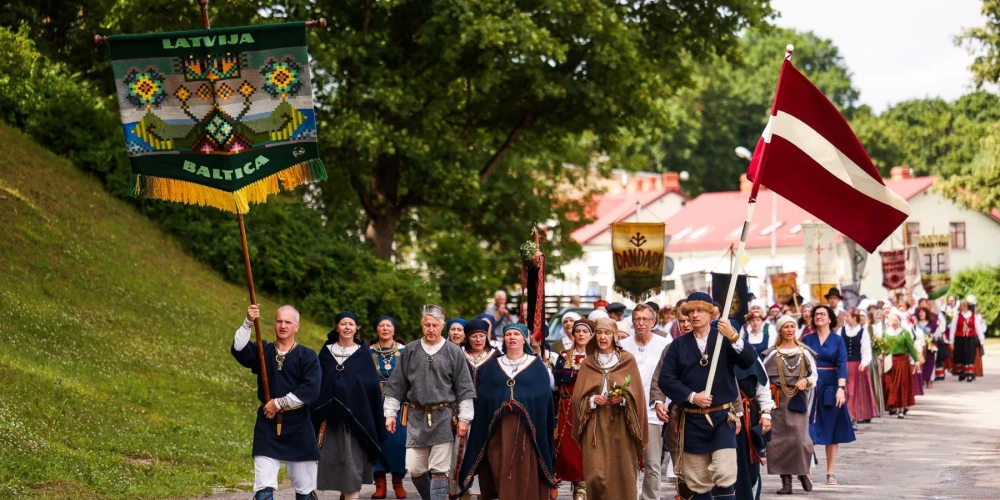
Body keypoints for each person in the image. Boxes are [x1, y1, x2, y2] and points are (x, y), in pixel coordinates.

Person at [658, 292, 757, 499]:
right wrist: (692, 396)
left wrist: (734, 336)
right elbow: (666, 380)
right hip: (691, 419)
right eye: (691, 311)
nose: (695, 315)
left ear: (710, 314)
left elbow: (749, 360)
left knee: (724, 472)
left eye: (700, 310)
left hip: (722, 418)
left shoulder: (724, 339)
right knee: (698, 480)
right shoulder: (678, 345)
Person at [383, 305, 476, 500]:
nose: (431, 329)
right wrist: (390, 413)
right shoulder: (410, 350)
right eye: (427, 325)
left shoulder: (453, 352)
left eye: (435, 325)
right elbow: (397, 384)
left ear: (442, 325)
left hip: (444, 416)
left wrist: (464, 418)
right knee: (415, 468)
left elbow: (464, 387)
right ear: (422, 325)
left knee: (439, 469)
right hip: (416, 417)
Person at [232, 304, 321, 500]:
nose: (283, 325)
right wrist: (248, 322)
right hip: (268, 423)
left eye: (288, 322)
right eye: (279, 321)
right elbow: (239, 350)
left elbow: (311, 390)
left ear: (296, 326)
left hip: (299, 424)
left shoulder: (308, 356)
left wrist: (278, 403)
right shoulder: (264, 351)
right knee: (263, 489)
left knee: (305, 489)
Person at [457, 324, 557, 500]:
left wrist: (521, 401)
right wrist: (503, 401)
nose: (512, 337)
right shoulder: (494, 365)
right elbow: (486, 398)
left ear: (524, 338)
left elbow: (543, 398)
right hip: (499, 431)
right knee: (499, 465)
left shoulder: (536, 365)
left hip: (528, 432)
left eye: (516, 334)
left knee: (526, 467)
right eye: (508, 334)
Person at [313, 312, 387, 500]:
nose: (347, 327)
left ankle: (351, 495)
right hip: (330, 421)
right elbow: (319, 382)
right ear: (336, 327)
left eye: (351, 324)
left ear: (356, 329)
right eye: (343, 324)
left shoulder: (362, 354)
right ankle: (345, 495)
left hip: (356, 420)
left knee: (352, 466)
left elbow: (371, 387)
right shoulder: (326, 352)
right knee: (335, 463)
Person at [572, 318, 648, 500]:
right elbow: (577, 397)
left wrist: (623, 399)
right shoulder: (588, 363)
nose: (603, 337)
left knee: (623, 472)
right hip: (595, 424)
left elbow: (637, 395)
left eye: (607, 333)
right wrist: (591, 399)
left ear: (615, 336)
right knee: (596, 474)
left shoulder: (627, 360)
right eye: (599, 333)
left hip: (621, 423)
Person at [619, 304, 671, 500]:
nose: (641, 323)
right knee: (627, 461)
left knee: (652, 463)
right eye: (637, 319)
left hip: (653, 410)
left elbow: (670, 376)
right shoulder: (624, 345)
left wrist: (664, 402)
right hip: (626, 409)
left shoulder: (664, 344)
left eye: (645, 319)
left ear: (653, 322)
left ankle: (650, 498)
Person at [800, 305, 855, 486]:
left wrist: (841, 388)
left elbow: (842, 364)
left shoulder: (838, 340)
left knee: (832, 429)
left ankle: (830, 472)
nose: (819, 317)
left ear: (830, 318)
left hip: (832, 386)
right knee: (810, 429)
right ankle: (806, 469)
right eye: (816, 314)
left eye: (823, 314)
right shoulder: (806, 338)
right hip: (811, 386)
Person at [761, 316, 817, 495]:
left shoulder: (804, 352)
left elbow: (814, 376)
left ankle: (803, 473)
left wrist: (806, 381)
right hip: (778, 402)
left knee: (800, 440)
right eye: (786, 327)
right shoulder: (772, 353)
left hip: (797, 401)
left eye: (792, 326)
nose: (790, 330)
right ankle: (786, 482)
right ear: (780, 330)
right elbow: (762, 379)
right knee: (779, 442)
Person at [448, 319, 498, 500]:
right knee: (460, 451)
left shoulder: (496, 357)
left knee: (486, 453)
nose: (478, 340)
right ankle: (460, 490)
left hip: (488, 413)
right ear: (467, 338)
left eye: (482, 336)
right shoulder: (457, 354)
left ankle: (485, 492)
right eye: (474, 336)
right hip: (461, 413)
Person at [552, 319, 595, 500]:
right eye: (578, 331)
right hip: (567, 407)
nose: (581, 334)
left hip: (590, 408)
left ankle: (584, 485)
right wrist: (568, 375)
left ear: (591, 335)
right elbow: (556, 380)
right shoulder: (563, 356)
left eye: (585, 331)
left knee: (587, 446)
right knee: (568, 447)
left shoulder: (596, 357)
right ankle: (576, 483)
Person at [370, 316, 409, 499]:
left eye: (389, 325)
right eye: (381, 325)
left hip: (399, 405)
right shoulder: (367, 352)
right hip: (374, 404)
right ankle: (380, 484)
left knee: (398, 443)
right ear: (376, 330)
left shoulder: (405, 351)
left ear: (394, 330)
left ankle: (397, 482)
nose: (385, 328)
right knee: (376, 442)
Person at [732, 356, 774, 500]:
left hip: (747, 417)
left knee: (749, 469)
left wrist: (766, 414)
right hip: (717, 416)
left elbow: (763, 386)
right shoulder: (709, 353)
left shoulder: (748, 354)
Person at [839, 309, 877, 426]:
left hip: (857, 365)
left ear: (855, 317)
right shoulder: (842, 330)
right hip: (843, 364)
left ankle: (853, 418)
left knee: (854, 392)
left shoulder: (863, 332)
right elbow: (837, 347)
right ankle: (845, 417)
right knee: (844, 391)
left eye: (848, 316)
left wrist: (864, 363)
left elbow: (866, 350)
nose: (846, 318)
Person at [881, 310, 920, 418]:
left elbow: (911, 348)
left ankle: (901, 409)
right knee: (889, 384)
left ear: (899, 321)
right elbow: (881, 347)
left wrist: (916, 361)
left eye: (895, 320)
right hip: (889, 361)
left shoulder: (904, 333)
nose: (893, 322)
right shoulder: (885, 333)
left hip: (901, 361)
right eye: (891, 319)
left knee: (900, 385)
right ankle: (892, 405)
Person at [950, 296, 987, 382]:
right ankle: (961, 373)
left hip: (970, 339)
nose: (962, 306)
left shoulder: (973, 316)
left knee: (970, 356)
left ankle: (969, 374)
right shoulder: (957, 316)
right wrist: (951, 341)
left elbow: (978, 328)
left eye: (963, 304)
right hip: (959, 339)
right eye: (961, 304)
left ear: (967, 306)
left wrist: (981, 340)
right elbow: (953, 329)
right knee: (960, 355)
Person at [915, 307, 943, 389]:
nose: (921, 314)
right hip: (919, 346)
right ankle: (921, 380)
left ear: (926, 313)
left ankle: (929, 380)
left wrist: (933, 336)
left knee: (930, 364)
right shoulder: (916, 324)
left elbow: (939, 333)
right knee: (920, 363)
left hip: (930, 346)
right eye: (919, 312)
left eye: (923, 312)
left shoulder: (932, 323)